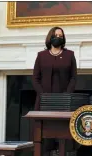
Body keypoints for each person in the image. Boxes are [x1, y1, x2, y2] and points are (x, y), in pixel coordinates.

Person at [32, 26, 77, 156]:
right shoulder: (41, 55)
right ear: (50, 37)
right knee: (44, 137)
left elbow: (73, 77)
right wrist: (42, 95)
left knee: (63, 135)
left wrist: (67, 95)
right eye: (56, 35)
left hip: (64, 101)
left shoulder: (70, 55)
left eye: (60, 35)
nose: (58, 37)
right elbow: (35, 78)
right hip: (44, 101)